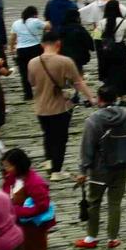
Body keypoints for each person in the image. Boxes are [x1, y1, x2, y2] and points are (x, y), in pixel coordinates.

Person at [71, 89, 126, 250]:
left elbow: (87, 148)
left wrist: (83, 171)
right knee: (115, 203)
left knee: (94, 202)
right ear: (115, 98)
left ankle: (91, 237)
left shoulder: (93, 120)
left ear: (99, 99)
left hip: (99, 168)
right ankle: (112, 238)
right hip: (121, 165)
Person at [26, 36, 94, 175]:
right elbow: (78, 82)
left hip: (40, 106)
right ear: (58, 44)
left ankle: (48, 162)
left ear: (42, 45)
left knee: (48, 135)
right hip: (60, 106)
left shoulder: (32, 62)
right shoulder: (65, 61)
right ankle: (56, 170)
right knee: (60, 139)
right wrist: (91, 97)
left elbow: (32, 82)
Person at [0, 148, 52, 250]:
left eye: (8, 166)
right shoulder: (11, 178)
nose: (6, 169)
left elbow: (42, 206)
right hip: (17, 226)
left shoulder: (35, 182)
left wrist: (16, 210)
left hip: (33, 228)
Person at [8, 5, 43, 102]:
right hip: (35, 48)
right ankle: (41, 91)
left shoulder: (16, 23)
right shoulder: (35, 21)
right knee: (39, 70)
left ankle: (28, 94)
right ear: (34, 14)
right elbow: (48, 26)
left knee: (24, 73)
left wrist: (11, 49)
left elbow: (12, 38)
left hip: (21, 50)